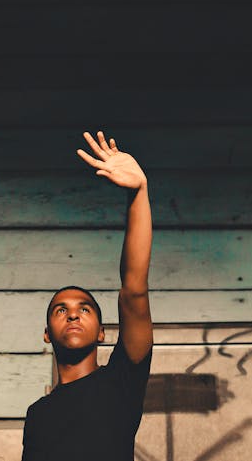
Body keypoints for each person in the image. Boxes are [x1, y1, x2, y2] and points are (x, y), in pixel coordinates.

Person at [21, 130, 153, 461]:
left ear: (103, 331)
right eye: (60, 310)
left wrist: (139, 194)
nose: (73, 314)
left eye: (86, 309)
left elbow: (134, 290)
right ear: (47, 334)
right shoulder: (38, 414)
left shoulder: (121, 381)